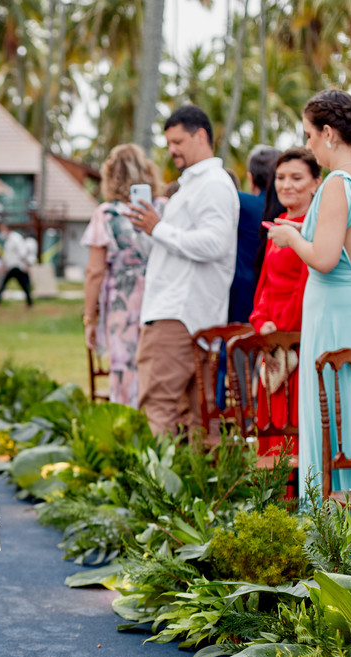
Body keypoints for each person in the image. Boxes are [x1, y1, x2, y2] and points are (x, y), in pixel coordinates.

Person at [266, 90, 351, 510]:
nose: (307, 145)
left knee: (334, 426)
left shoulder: (339, 184)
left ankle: (333, 540)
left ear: (328, 133)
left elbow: (323, 260)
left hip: (336, 318)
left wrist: (290, 236)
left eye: (308, 135)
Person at [128, 105, 240, 435]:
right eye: (169, 143)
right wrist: (145, 229)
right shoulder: (189, 186)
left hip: (178, 312)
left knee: (158, 407)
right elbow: (167, 250)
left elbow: (214, 244)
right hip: (180, 309)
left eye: (177, 141)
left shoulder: (214, 184)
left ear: (200, 135)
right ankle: (198, 486)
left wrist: (159, 228)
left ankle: (152, 486)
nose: (172, 150)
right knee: (195, 416)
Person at [248, 148, 320, 458]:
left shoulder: (312, 228)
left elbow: (307, 285)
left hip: (297, 340)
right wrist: (261, 323)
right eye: (280, 177)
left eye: (296, 178)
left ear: (316, 183)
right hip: (272, 340)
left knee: (293, 426)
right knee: (270, 425)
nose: (286, 185)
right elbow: (263, 286)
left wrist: (282, 331)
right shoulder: (277, 225)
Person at [81, 143, 162, 407]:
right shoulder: (161, 207)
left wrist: (90, 318)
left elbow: (95, 271)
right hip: (160, 297)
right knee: (157, 364)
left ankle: (129, 427)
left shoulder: (106, 213)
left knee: (125, 366)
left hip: (122, 303)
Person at [229, 145, 279, 324]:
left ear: (250, 179)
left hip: (243, 297)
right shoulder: (289, 210)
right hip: (277, 298)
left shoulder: (241, 203)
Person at [0, 222, 33, 306]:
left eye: (2, 230)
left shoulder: (16, 238)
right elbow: (8, 255)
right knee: (21, 285)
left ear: (7, 229)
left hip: (17, 266)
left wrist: (26, 265)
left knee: (21, 285)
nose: (1, 232)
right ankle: (29, 302)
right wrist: (4, 265)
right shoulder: (9, 239)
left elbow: (22, 253)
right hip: (11, 266)